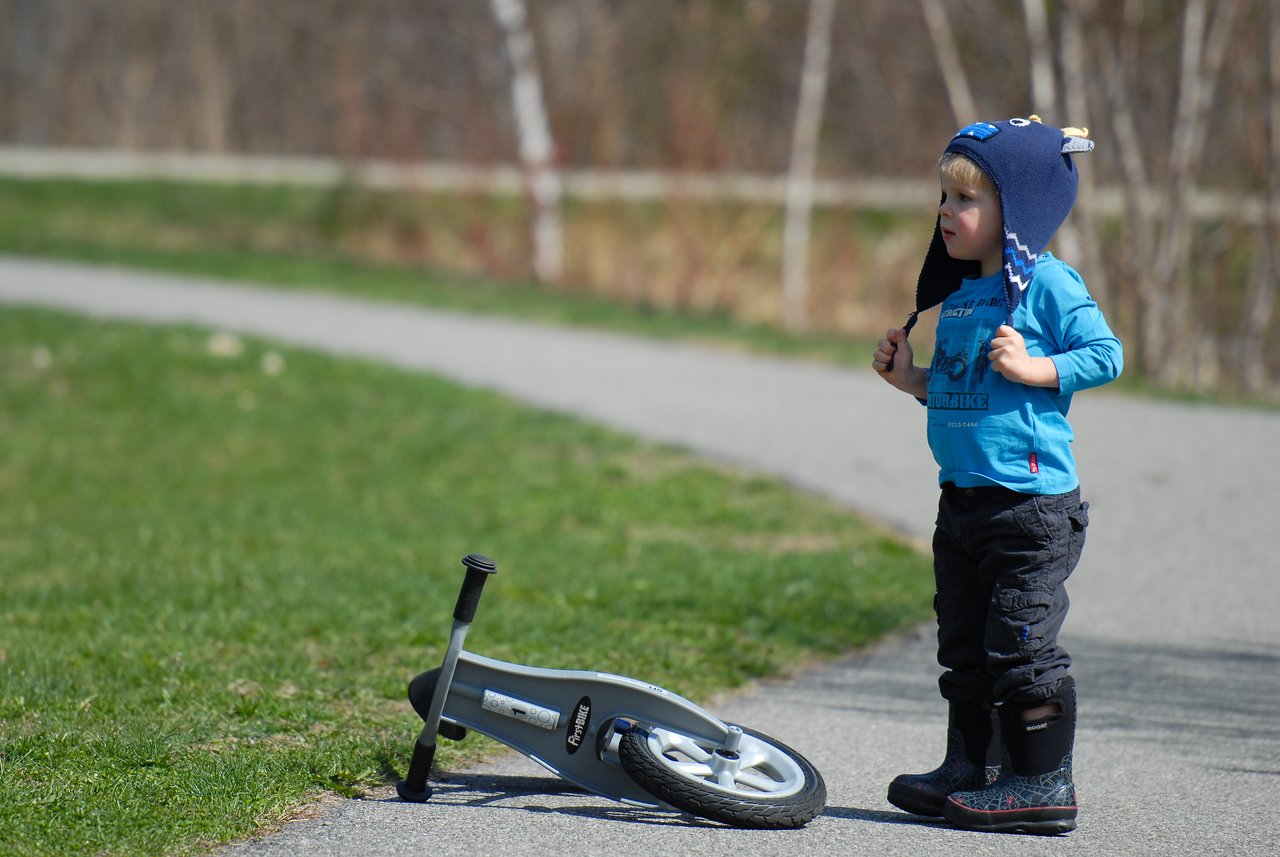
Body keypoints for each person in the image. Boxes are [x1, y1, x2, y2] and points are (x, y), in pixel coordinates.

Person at [871, 116, 1123, 835]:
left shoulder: (1046, 282)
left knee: (1021, 646)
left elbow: (1106, 354)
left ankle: (1042, 779)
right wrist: (909, 378)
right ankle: (971, 768)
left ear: (1019, 209)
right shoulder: (963, 293)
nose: (947, 213)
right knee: (964, 643)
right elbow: (957, 388)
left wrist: (1039, 367)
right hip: (963, 504)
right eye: (943, 199)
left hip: (1030, 507)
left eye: (966, 200)